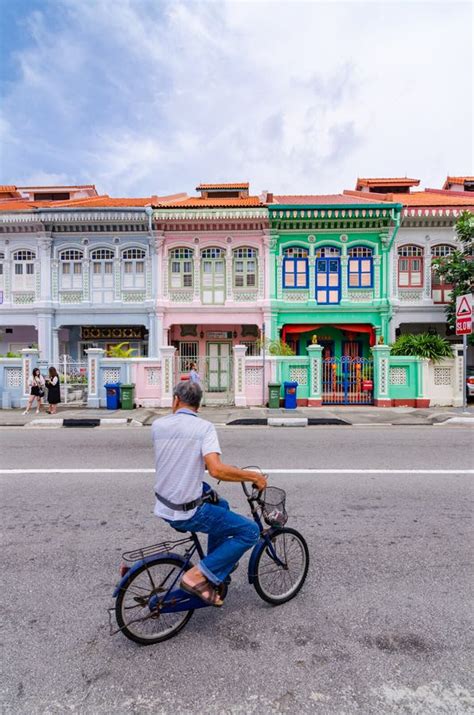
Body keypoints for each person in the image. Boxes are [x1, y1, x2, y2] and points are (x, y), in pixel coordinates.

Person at [152, 380, 266, 607]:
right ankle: (199, 574)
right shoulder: (204, 428)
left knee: (221, 505)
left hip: (164, 503)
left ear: (175, 400)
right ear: (198, 405)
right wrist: (253, 477)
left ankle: (215, 569)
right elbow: (215, 470)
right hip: (187, 510)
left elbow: (183, 458)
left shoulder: (158, 425)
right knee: (251, 532)